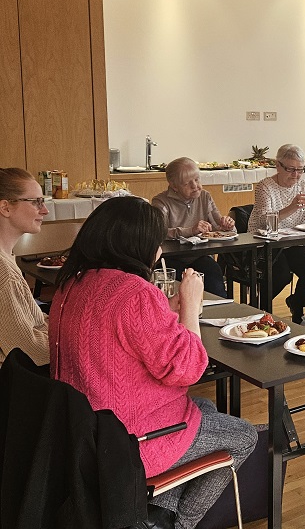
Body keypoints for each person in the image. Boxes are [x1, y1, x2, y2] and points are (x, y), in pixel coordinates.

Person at [49, 197, 257, 529]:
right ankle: (177, 524)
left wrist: (167, 309)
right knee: (245, 434)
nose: (158, 249)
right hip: (127, 442)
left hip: (84, 430)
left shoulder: (71, 282)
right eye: (155, 241)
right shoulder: (134, 292)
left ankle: (156, 514)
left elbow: (124, 334)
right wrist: (190, 307)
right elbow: (189, 368)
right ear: (137, 244)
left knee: (204, 407)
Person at [247, 144, 305, 319]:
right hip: (266, 242)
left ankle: (297, 303)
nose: (296, 175)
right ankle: (260, 311)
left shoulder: (303, 185)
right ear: (278, 165)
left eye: (300, 170)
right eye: (290, 169)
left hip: (293, 240)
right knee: (281, 275)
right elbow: (264, 221)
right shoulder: (264, 186)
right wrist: (292, 207)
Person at [151, 157, 233, 297]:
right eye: (187, 183)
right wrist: (190, 231)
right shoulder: (161, 202)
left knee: (214, 276)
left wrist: (227, 225)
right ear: (174, 186)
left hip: (198, 255)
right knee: (180, 287)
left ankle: (219, 314)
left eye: (197, 179)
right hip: (170, 259)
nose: (195, 186)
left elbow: (217, 225)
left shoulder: (205, 197)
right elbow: (158, 232)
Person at [0, 168, 49, 367]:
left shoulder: (7, 259)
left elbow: (34, 320)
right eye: (36, 201)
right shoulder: (4, 272)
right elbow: (30, 352)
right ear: (6, 208)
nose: (44, 210)